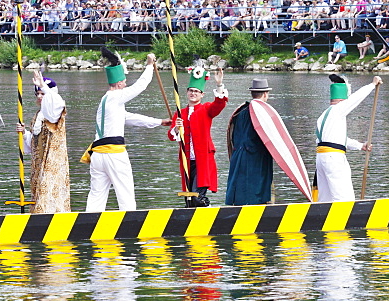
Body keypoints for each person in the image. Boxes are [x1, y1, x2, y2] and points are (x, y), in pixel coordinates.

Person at [83, 49, 170, 212]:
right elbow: (141, 86)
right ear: (118, 84)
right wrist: (150, 65)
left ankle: (89, 225)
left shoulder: (106, 101)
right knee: (126, 193)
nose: (125, 84)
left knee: (96, 195)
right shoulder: (116, 96)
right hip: (113, 154)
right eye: (123, 82)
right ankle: (130, 224)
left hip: (98, 155)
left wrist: (159, 122)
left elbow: (131, 118)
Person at [314, 74, 382, 202]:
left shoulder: (323, 115)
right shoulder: (338, 109)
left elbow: (336, 140)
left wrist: (359, 145)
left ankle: (325, 220)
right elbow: (356, 99)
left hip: (321, 158)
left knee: (326, 199)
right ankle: (346, 220)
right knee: (344, 198)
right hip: (334, 158)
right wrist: (372, 85)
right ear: (343, 98)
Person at [168, 67, 228, 207]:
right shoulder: (180, 113)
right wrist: (176, 128)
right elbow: (171, 136)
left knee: (197, 196)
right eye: (191, 90)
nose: (193, 93)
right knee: (188, 199)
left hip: (203, 159)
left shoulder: (206, 108)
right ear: (187, 92)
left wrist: (219, 85)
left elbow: (219, 105)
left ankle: (207, 209)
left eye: (196, 91)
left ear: (202, 95)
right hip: (186, 160)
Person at [17, 70, 70, 213]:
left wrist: (44, 86)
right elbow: (32, 146)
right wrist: (24, 133)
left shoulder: (55, 110)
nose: (40, 96)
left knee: (49, 197)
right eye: (38, 94)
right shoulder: (37, 116)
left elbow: (55, 103)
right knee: (37, 195)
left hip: (52, 163)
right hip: (38, 163)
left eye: (42, 94)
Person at [225, 78, 276, 205]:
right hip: (255, 157)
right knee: (256, 193)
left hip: (238, 155)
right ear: (265, 94)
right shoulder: (262, 112)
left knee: (240, 190)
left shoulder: (240, 110)